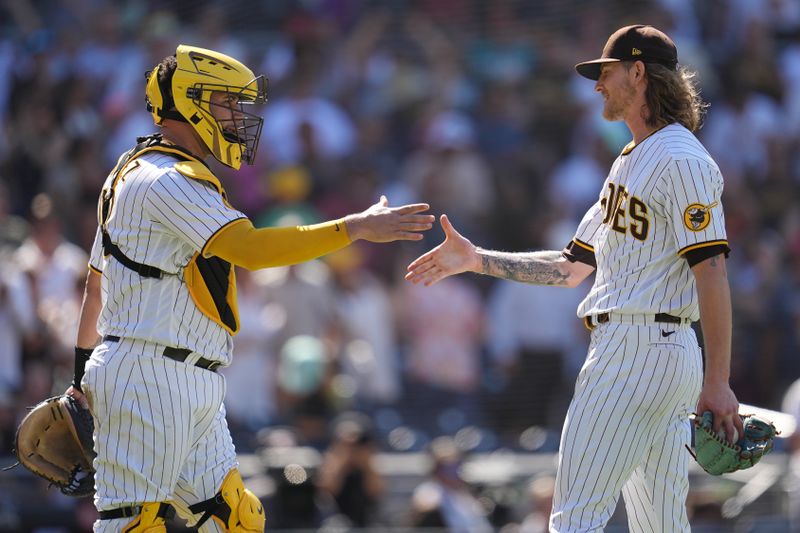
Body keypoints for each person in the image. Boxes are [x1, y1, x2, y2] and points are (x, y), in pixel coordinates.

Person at [65, 44, 434, 533]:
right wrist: (355, 227)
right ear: (189, 99)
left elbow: (97, 286)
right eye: (228, 102)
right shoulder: (165, 179)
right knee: (133, 525)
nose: (239, 115)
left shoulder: (139, 173)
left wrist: (79, 374)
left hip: (185, 375)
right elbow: (251, 250)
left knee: (236, 518)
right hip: (147, 371)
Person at [406, 25, 742, 532]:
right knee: (661, 527)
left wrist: (719, 380)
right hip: (660, 354)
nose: (597, 86)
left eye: (604, 72)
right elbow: (570, 268)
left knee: (574, 520)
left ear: (638, 72)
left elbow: (712, 270)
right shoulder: (630, 160)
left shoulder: (681, 157)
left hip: (633, 349)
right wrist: (477, 259)